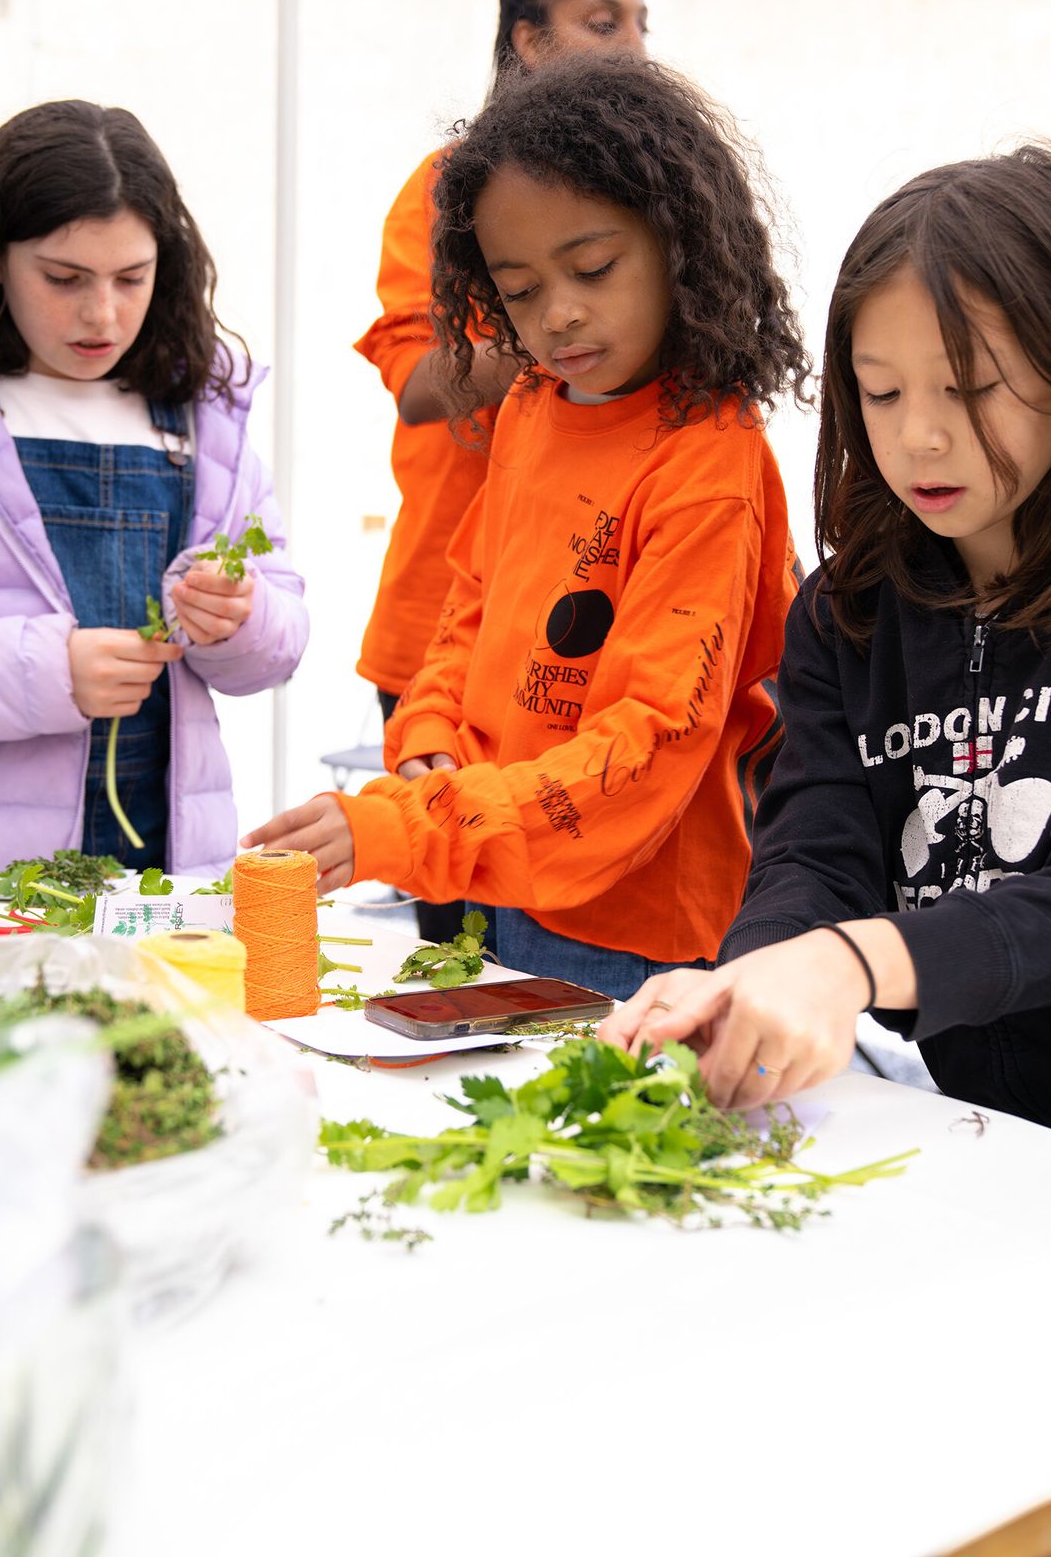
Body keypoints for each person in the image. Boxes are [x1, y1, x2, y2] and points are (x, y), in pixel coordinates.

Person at [604, 143, 1051, 1165]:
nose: (919, 439)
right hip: (984, 1130)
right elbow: (814, 854)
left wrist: (847, 964)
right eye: (881, 393)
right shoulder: (849, 612)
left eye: (971, 388)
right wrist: (746, 984)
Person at [246, 53, 807, 1000]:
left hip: (638, 930)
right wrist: (431, 727)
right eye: (518, 290)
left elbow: (653, 740)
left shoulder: (709, 459)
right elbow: (473, 602)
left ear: (680, 246)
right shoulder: (532, 405)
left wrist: (411, 827)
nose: (560, 315)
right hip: (514, 882)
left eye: (592, 269)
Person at [0, 99, 308, 878]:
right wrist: (49, 672)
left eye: (131, 278)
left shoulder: (203, 410)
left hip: (164, 876)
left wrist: (240, 619)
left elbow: (278, 648)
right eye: (64, 278)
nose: (102, 314)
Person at [353, 0, 648, 941]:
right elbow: (417, 385)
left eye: (640, 23)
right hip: (447, 636)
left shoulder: (648, 197)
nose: (632, 46)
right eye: (602, 21)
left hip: (590, 651)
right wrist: (565, 325)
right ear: (528, 37)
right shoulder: (446, 189)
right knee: (459, 972)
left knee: (565, 964)